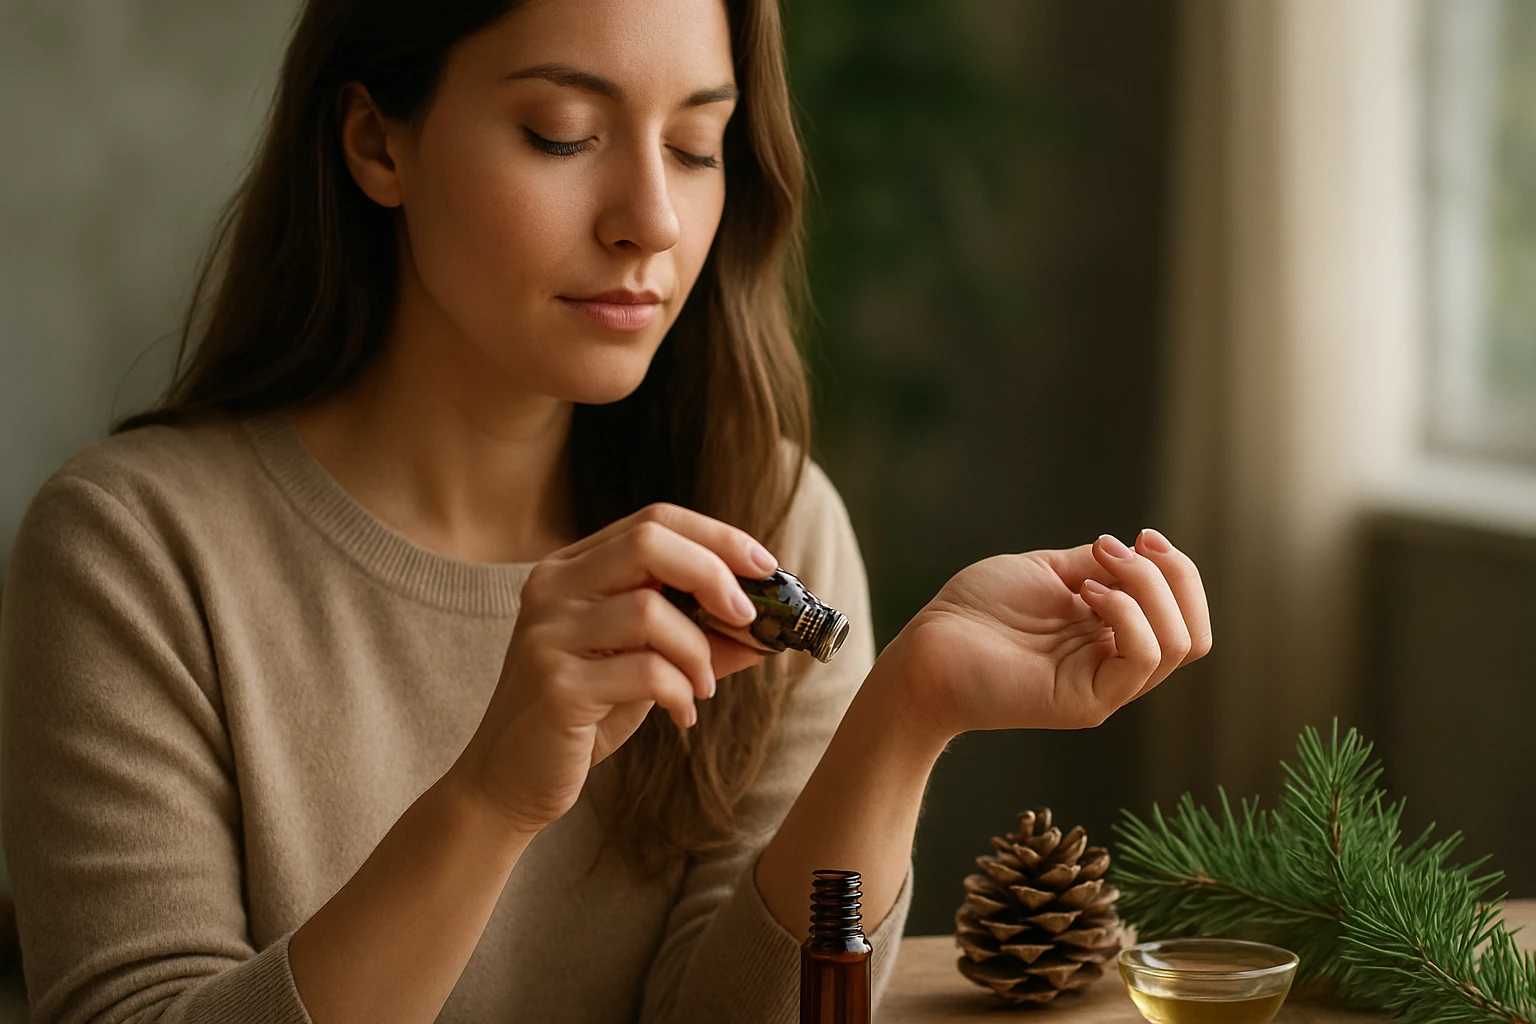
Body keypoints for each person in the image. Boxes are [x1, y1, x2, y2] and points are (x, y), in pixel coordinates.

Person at [0, 0, 1213, 1022]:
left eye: (696, 145)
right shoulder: (134, 554)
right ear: (376, 142)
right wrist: (489, 799)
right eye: (562, 133)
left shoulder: (769, 524)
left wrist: (905, 712)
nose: (654, 218)